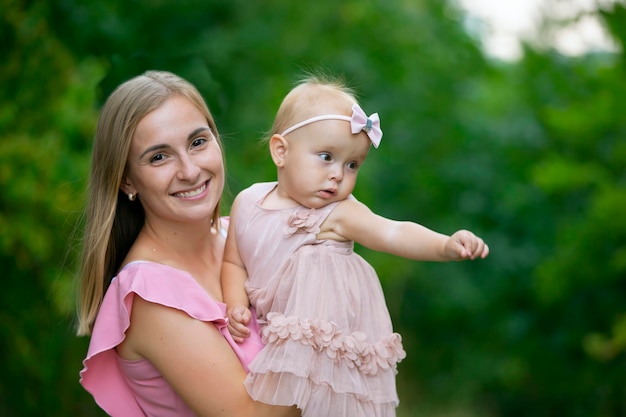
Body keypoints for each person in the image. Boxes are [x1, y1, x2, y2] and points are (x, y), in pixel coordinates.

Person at [220, 75, 490, 417]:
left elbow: (392, 232)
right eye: (326, 156)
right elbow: (234, 263)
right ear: (281, 151)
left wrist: (445, 245)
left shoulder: (339, 212)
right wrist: (235, 304)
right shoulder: (248, 201)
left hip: (324, 351)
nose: (338, 174)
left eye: (352, 165)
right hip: (266, 333)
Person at [76, 70, 300, 417]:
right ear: (126, 182)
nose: (190, 171)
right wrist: (328, 327)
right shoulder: (149, 295)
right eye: (159, 157)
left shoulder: (243, 236)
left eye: (198, 142)